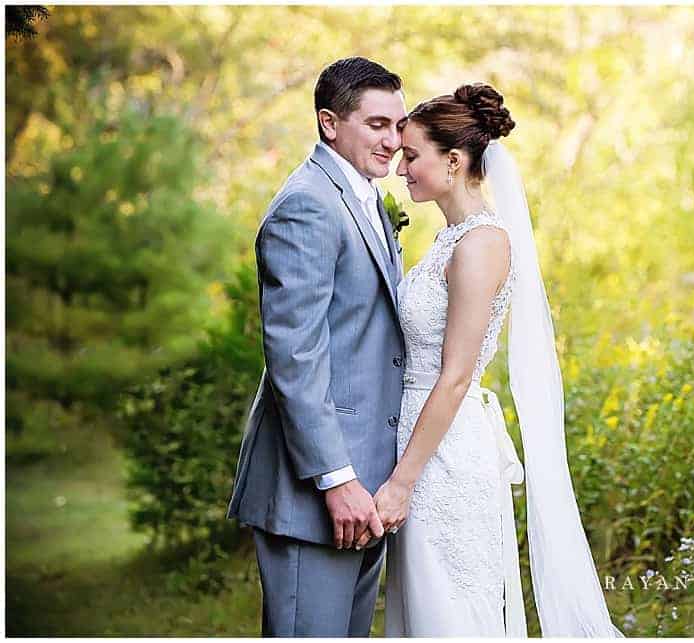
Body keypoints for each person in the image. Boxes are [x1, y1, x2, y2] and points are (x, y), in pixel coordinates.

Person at [375, 83, 623, 637]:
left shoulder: (482, 243)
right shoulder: (451, 239)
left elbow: (457, 375)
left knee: (452, 613)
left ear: (455, 160)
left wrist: (401, 483)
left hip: (441, 457)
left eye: (412, 155)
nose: (401, 169)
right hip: (422, 444)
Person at [225, 57, 407, 637]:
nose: (393, 141)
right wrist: (338, 480)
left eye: (398, 126)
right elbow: (295, 357)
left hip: (367, 491)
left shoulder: (365, 197)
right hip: (319, 495)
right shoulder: (307, 204)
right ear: (330, 123)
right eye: (377, 125)